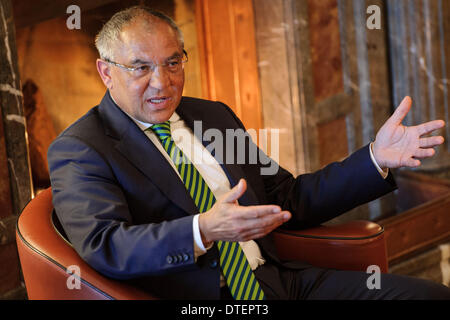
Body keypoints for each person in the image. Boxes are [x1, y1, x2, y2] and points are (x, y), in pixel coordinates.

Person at [47, 6, 450, 300]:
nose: (162, 82)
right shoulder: (80, 149)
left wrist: (375, 159)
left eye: (173, 62)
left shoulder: (211, 116)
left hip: (280, 282)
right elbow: (107, 245)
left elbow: (286, 199)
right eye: (140, 68)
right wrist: (204, 230)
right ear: (106, 71)